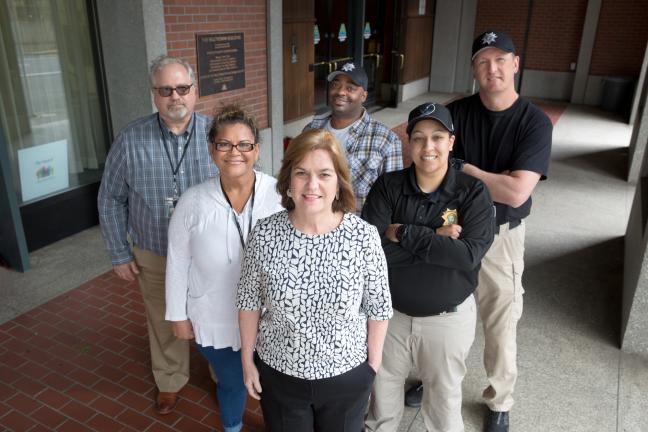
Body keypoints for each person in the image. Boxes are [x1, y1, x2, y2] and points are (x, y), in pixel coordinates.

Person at [422, 30, 548, 432]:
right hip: (452, 229)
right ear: (474, 70)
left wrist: (466, 170)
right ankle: (426, 378)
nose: (491, 68)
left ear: (515, 64)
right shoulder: (456, 112)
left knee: (499, 321)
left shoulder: (534, 122)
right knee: (437, 311)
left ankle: (499, 400)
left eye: (500, 59)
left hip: (501, 236)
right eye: (482, 61)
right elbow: (428, 160)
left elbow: (515, 191)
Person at [236, 129, 393, 432]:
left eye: (324, 174)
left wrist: (371, 367)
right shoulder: (264, 235)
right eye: (302, 173)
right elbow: (248, 302)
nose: (312, 185)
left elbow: (379, 307)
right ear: (288, 182)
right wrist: (247, 359)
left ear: (338, 184)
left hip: (346, 376)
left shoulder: (363, 237)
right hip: (280, 374)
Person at [98, 55, 218, 415]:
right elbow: (110, 198)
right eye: (166, 90)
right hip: (155, 252)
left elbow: (246, 188)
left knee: (214, 314)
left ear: (195, 92)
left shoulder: (219, 135)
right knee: (165, 318)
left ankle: (221, 374)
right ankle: (170, 379)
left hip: (210, 252)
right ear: (154, 95)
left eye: (182, 88)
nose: (175, 96)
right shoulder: (130, 139)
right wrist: (119, 253)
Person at [363, 103, 495, 432]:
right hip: (389, 316)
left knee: (444, 405)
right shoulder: (387, 187)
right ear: (409, 142)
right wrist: (437, 242)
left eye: (437, 137)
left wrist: (404, 233)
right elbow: (370, 252)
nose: (428, 146)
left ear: (452, 141)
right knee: (382, 398)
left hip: (447, 319)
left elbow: (467, 255)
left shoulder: (472, 192)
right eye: (419, 138)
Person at [164, 105, 283, 432]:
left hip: (272, 316)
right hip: (214, 315)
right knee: (231, 382)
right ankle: (232, 426)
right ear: (211, 149)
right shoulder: (193, 201)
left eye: (244, 144)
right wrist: (177, 314)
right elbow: (177, 261)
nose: (235, 153)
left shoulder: (279, 195)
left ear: (256, 149)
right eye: (224, 144)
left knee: (275, 386)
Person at [303, 61, 403, 212]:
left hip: (357, 231)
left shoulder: (386, 140)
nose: (341, 92)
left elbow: (393, 199)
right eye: (336, 85)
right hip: (312, 222)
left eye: (350, 88)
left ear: (363, 96)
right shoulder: (311, 130)